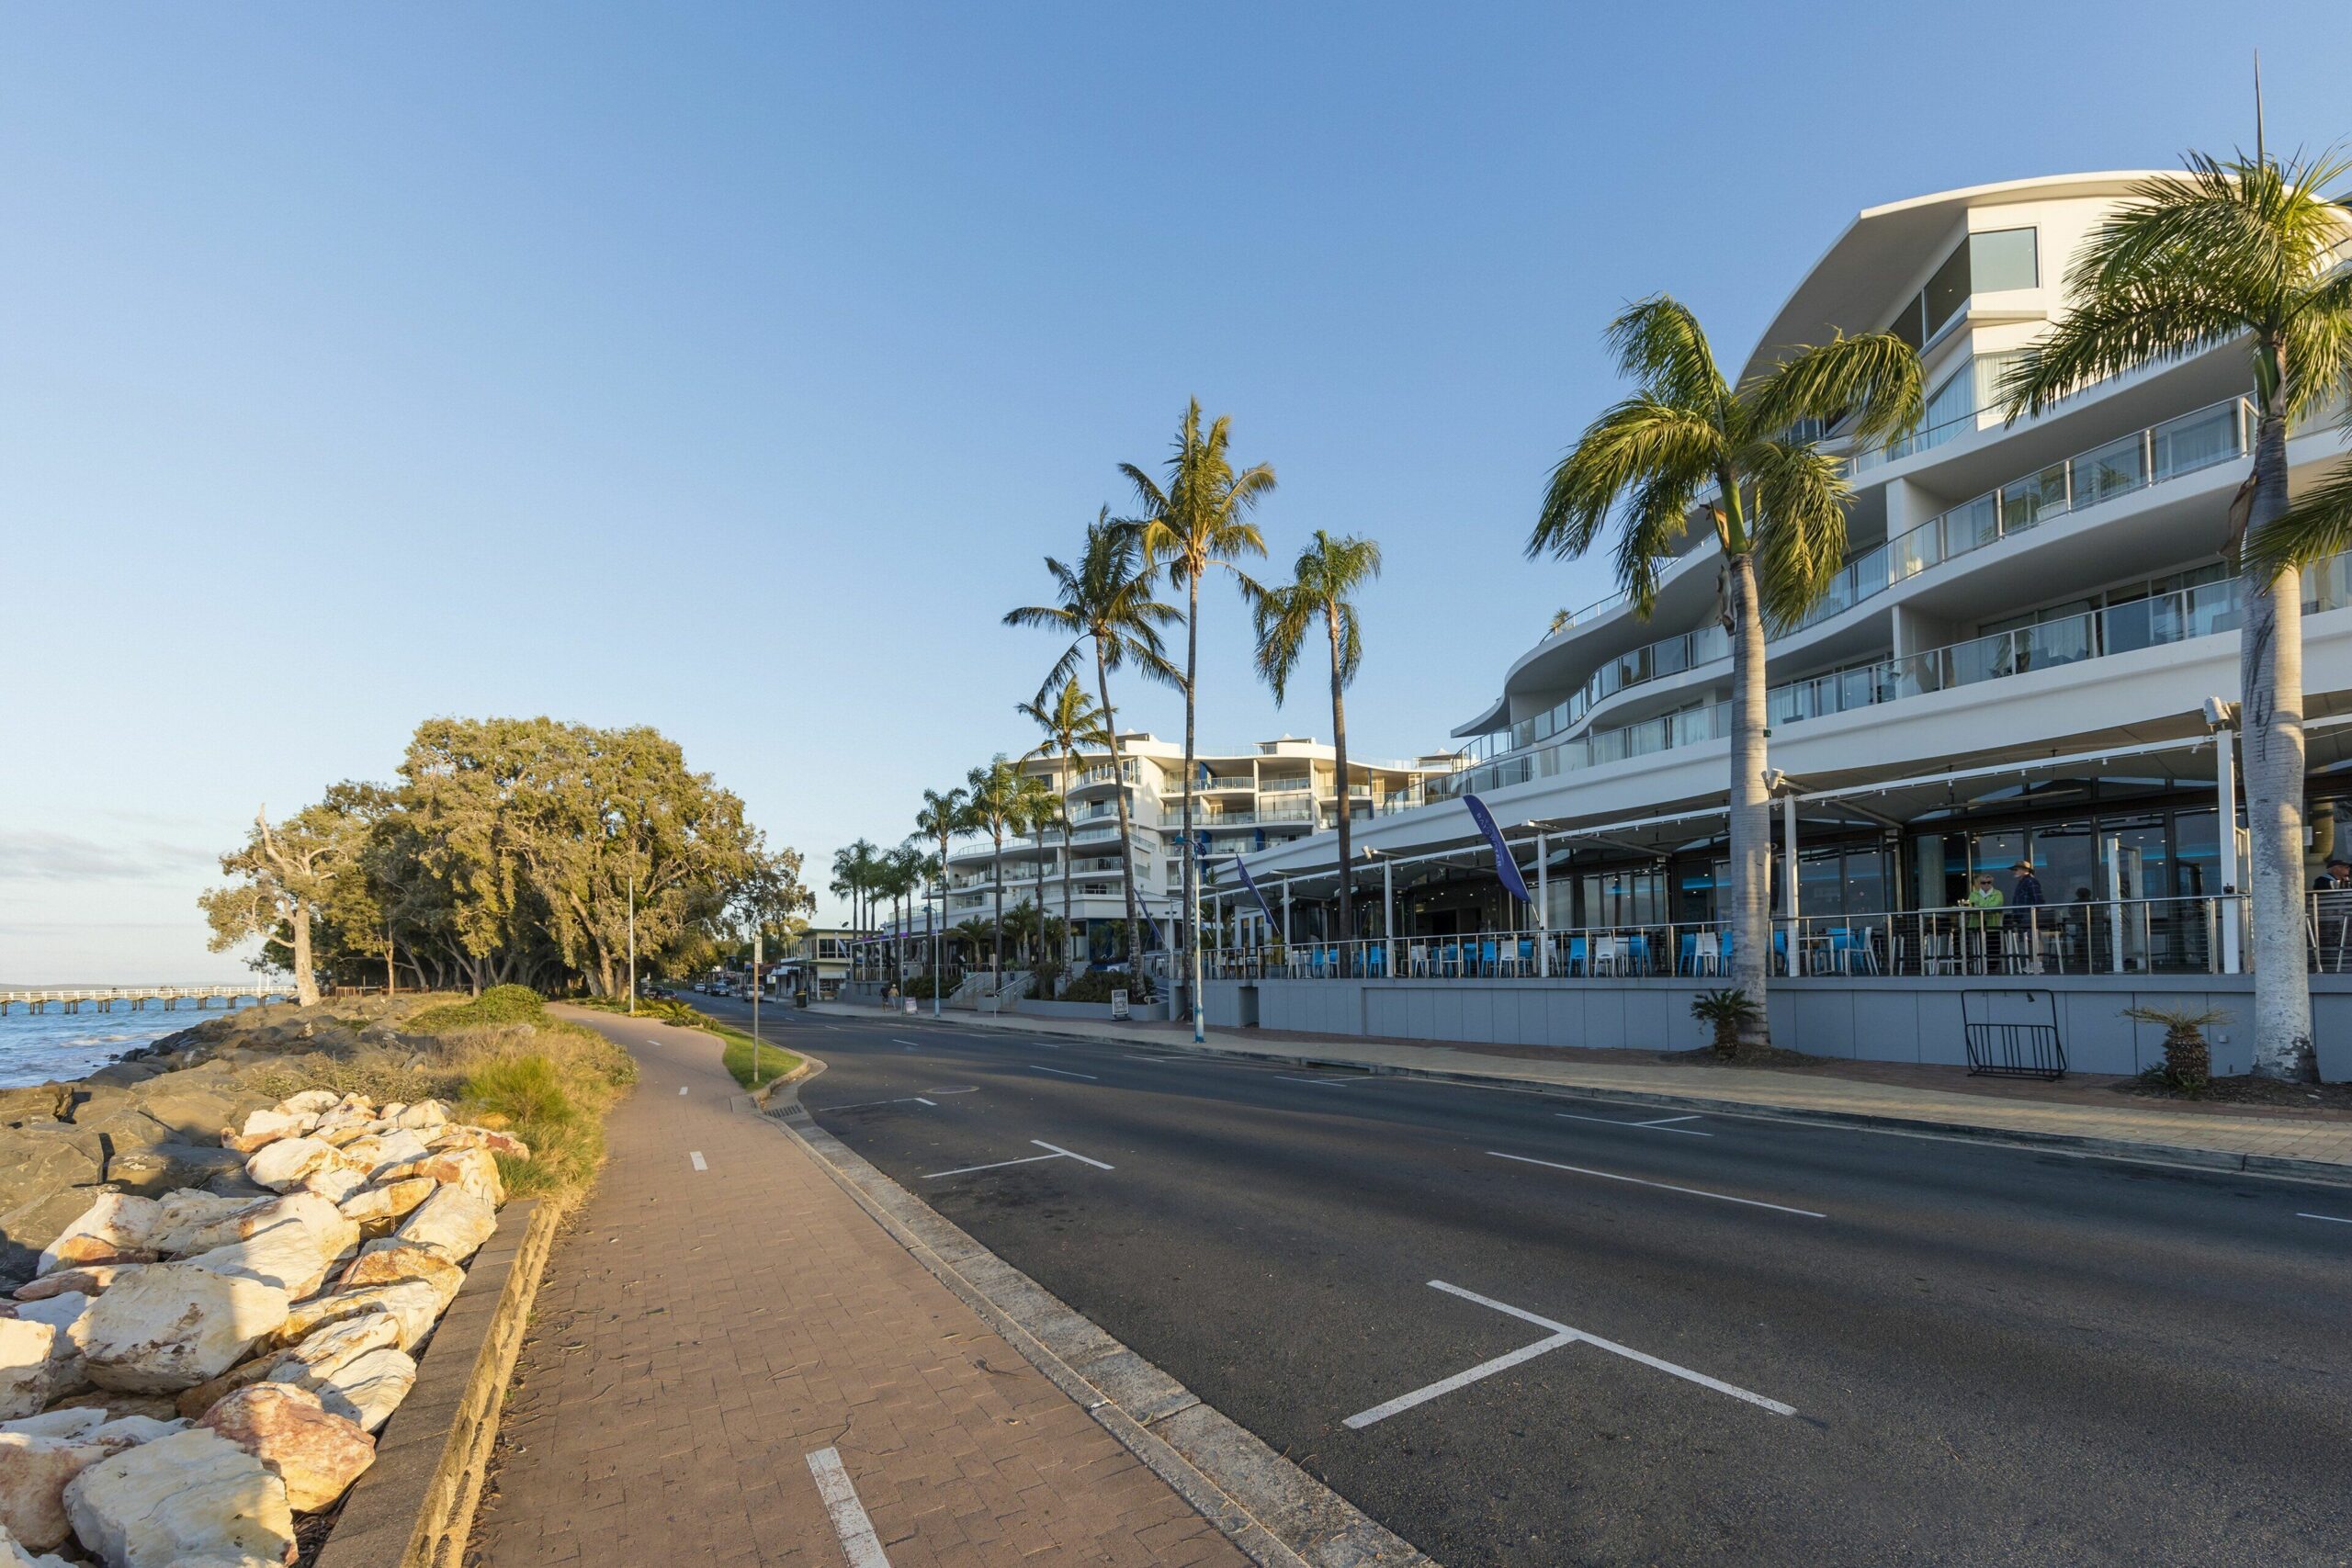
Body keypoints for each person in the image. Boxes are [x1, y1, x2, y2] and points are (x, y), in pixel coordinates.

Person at [2007, 859, 2047, 973]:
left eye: (2016, 869)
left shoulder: (2031, 881)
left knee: (2034, 938)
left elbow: (2038, 898)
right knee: (2028, 940)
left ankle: (2038, 964)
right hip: (2023, 915)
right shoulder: (2023, 882)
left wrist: (2035, 913)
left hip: (2029, 914)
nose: (2014, 871)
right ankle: (2032, 964)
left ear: (2025, 870)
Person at [1962, 873, 2004, 973]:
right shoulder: (1973, 894)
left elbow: (1996, 904)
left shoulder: (1998, 893)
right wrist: (1985, 906)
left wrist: (1980, 905)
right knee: (1978, 947)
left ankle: (1991, 969)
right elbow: (1971, 906)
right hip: (1977, 926)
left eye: (1989, 882)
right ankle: (1979, 968)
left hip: (1993, 925)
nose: (1986, 884)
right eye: (1983, 882)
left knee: (1993, 948)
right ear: (1979, 883)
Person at [2315, 858, 2352, 972]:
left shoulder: (2346, 880)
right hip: (2329, 915)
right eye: (2345, 867)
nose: (2348, 869)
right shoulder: (2322, 881)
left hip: (2343, 915)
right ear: (2336, 868)